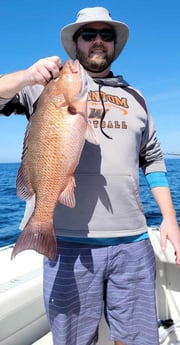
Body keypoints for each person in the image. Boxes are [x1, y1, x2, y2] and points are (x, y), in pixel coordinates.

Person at [0, 6, 180, 345]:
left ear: (114, 45)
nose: (98, 41)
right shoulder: (44, 91)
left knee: (137, 338)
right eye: (89, 34)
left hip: (132, 243)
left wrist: (169, 219)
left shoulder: (136, 97)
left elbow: (153, 158)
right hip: (67, 245)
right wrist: (26, 75)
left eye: (106, 35)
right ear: (76, 43)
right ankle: (40, 227)